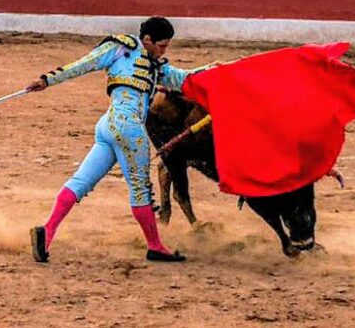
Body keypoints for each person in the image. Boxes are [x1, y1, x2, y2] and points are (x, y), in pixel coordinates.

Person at [27, 16, 214, 264]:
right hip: (128, 129)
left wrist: (216, 71)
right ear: (146, 40)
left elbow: (185, 79)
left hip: (108, 126)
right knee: (140, 190)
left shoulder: (157, 67)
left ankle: (47, 232)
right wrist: (47, 79)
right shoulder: (122, 47)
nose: (164, 51)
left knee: (81, 181)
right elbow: (84, 64)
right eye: (161, 46)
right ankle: (155, 246)